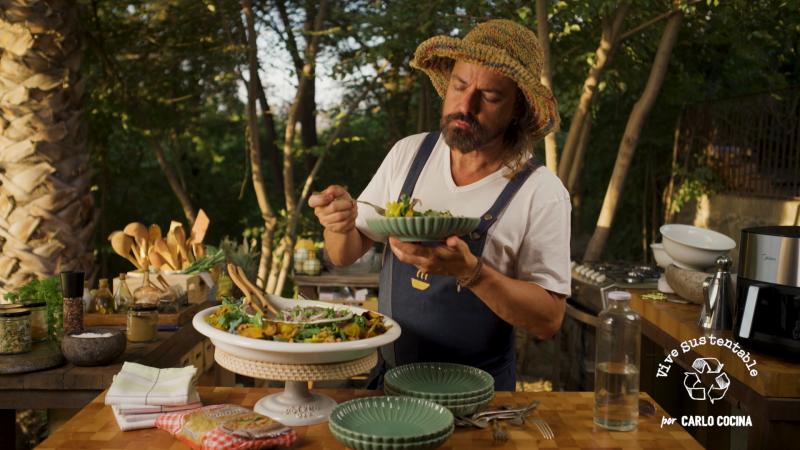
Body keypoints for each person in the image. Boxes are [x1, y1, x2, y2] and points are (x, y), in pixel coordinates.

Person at [308, 19, 571, 391]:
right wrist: (340, 224)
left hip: (482, 400)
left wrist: (473, 273)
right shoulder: (409, 154)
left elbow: (548, 319)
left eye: (491, 96)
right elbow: (344, 254)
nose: (466, 105)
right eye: (459, 86)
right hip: (391, 386)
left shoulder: (541, 191)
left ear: (517, 109)